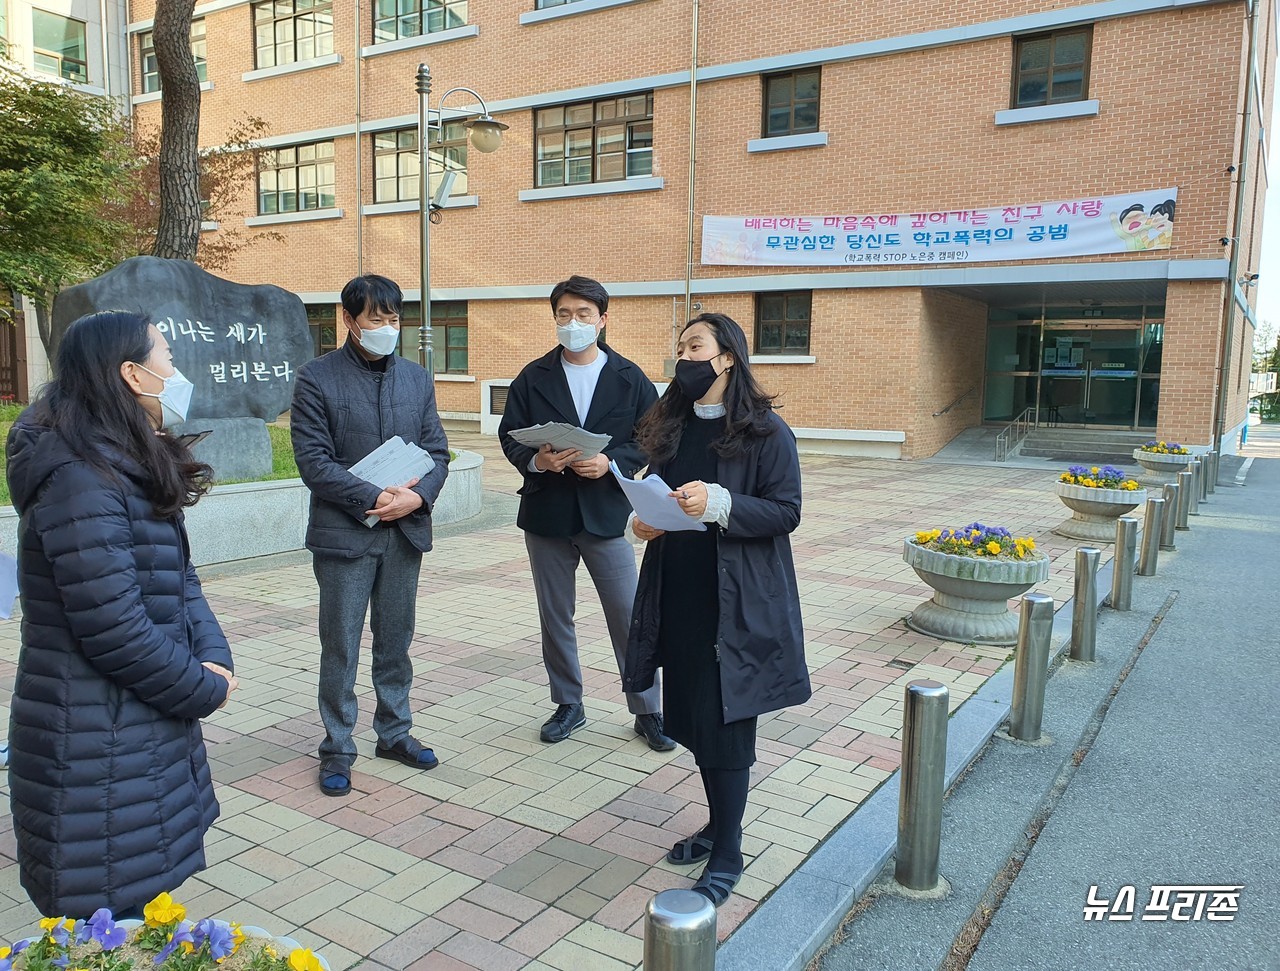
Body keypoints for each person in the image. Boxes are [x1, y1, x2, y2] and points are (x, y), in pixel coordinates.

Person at [5, 310, 238, 919]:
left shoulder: (124, 455)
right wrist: (200, 687)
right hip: (93, 740)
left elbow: (178, 576)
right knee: (108, 925)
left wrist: (214, 654)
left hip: (136, 728)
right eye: (167, 358)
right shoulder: (81, 476)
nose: (176, 372)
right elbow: (113, 628)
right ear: (132, 374)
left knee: (137, 907)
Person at [623, 312, 810, 907]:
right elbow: (659, 496)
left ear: (727, 357)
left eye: (695, 346)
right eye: (680, 347)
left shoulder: (766, 432)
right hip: (678, 591)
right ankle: (716, 826)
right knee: (698, 721)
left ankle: (729, 850)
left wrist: (723, 503)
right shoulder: (673, 427)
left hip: (736, 602)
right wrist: (644, 519)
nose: (685, 357)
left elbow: (785, 512)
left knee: (726, 727)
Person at [291, 274, 450, 796]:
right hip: (346, 535)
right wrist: (371, 496)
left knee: (395, 640)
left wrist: (417, 496)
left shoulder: (417, 379)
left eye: (393, 319)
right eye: (374, 320)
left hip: (403, 532)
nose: (385, 329)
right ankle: (337, 747)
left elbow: (438, 453)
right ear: (349, 320)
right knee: (340, 644)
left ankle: (394, 731)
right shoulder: (317, 378)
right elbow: (313, 461)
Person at [498, 275, 672, 749]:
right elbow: (510, 434)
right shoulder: (533, 377)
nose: (573, 323)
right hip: (547, 514)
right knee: (556, 615)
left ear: (602, 319)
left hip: (605, 513)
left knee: (628, 614)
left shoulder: (630, 377)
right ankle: (568, 704)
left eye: (583, 315)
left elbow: (651, 439)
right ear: (554, 318)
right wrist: (538, 460)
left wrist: (613, 462)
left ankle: (648, 708)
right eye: (563, 315)